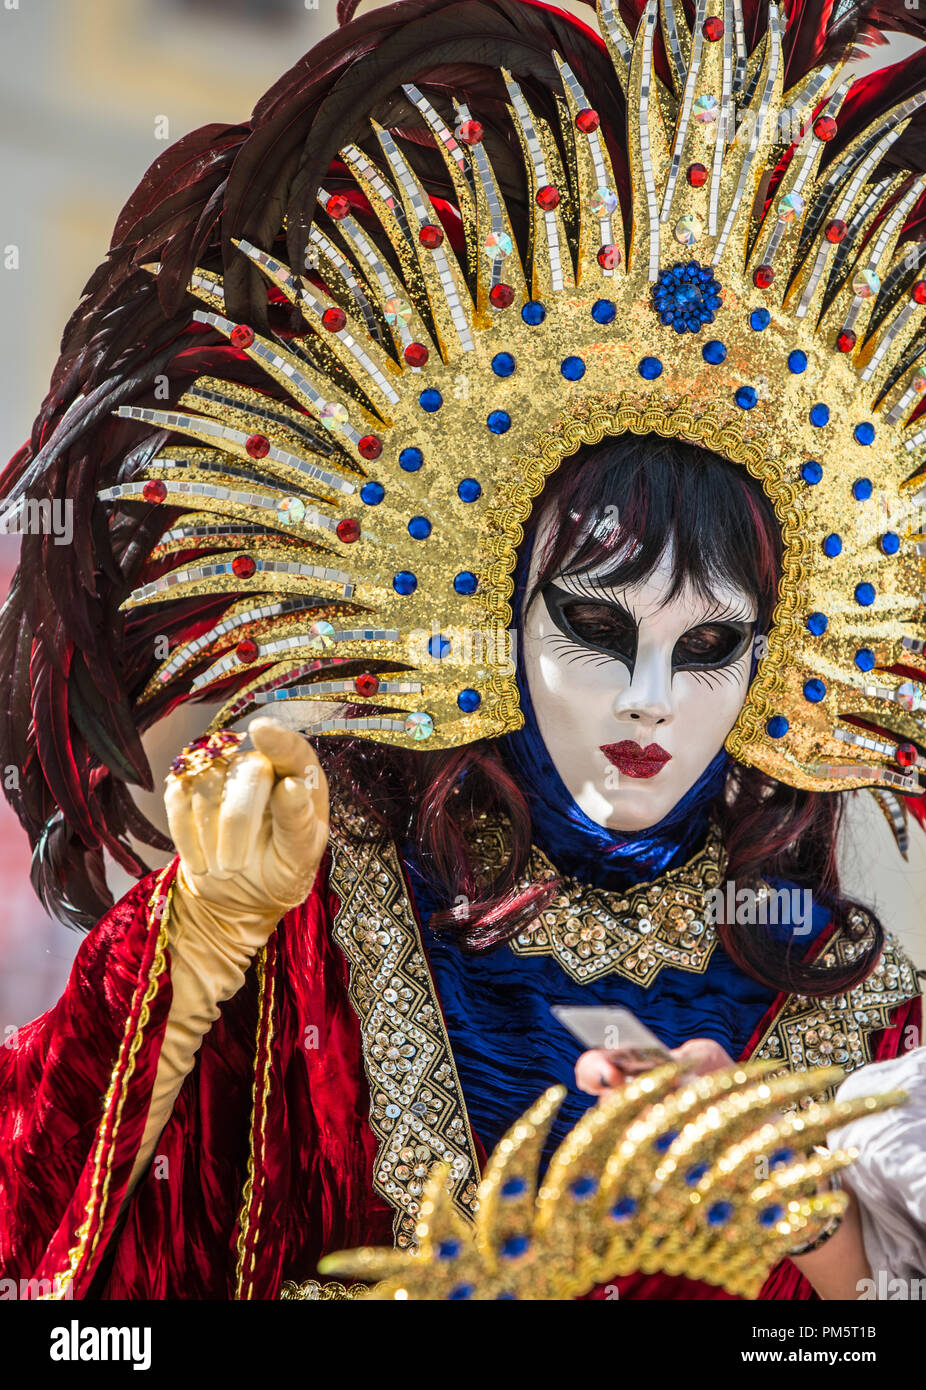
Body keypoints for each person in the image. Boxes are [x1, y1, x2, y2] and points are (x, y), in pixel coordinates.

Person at [1, 0, 925, 1301]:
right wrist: (185, 960)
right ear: (499, 619)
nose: (650, 700)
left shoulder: (866, 1018)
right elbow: (37, 1225)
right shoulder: (313, 907)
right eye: (596, 627)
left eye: (708, 643)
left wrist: (816, 1247)